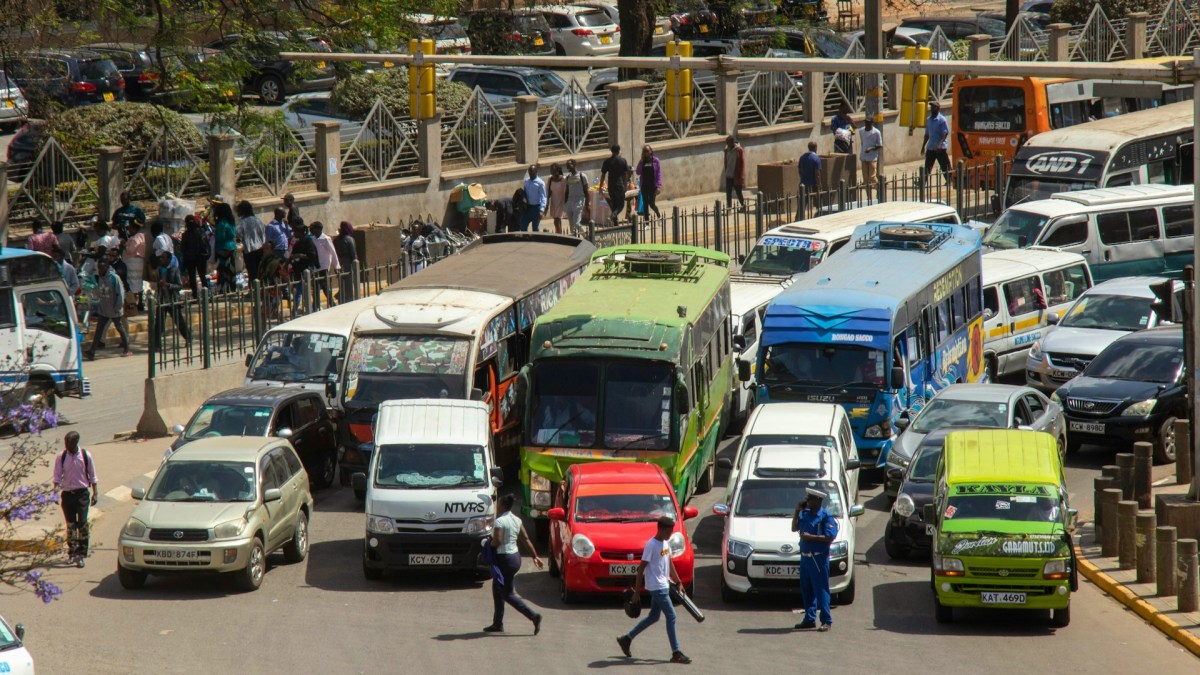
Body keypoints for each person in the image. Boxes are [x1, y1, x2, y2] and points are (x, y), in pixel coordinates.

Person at [616, 515, 691, 664]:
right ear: (662, 529)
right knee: (672, 616)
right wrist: (637, 593)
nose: (671, 534)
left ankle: (627, 639)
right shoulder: (651, 545)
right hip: (657, 587)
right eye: (669, 531)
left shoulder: (665, 543)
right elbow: (641, 569)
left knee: (654, 617)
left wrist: (678, 581)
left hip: (663, 584)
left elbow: (669, 563)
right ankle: (676, 652)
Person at [484, 494, 544, 634]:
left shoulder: (500, 521)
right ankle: (497, 623)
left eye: (498, 503)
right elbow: (526, 538)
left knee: (507, 594)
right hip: (515, 558)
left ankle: (534, 616)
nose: (496, 505)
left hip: (504, 559)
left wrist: (488, 545)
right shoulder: (516, 520)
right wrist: (535, 556)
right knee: (497, 587)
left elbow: (497, 541)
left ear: (503, 505)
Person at [791, 487, 838, 632]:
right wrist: (797, 511)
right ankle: (809, 618)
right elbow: (794, 528)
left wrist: (810, 537)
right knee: (807, 589)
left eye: (810, 499)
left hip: (818, 558)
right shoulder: (805, 513)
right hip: (805, 558)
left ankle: (826, 620)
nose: (807, 501)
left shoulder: (825, 517)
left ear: (818, 501)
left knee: (821, 589)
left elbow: (830, 536)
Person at [53, 432, 98, 568]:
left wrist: (95, 493)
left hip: (82, 494)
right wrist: (55, 493)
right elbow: (56, 476)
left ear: (76, 442)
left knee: (82, 523)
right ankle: (72, 552)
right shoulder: (62, 457)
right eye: (65, 442)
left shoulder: (85, 456)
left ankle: (81, 553)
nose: (66, 445)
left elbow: (93, 476)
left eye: (69, 443)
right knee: (71, 525)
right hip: (67, 495)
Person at [84, 258, 131, 360]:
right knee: (99, 330)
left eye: (101, 268)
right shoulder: (100, 278)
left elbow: (120, 294)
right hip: (103, 309)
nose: (100, 270)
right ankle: (92, 352)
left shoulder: (114, 278)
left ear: (106, 267)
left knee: (120, 328)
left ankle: (127, 348)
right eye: (98, 268)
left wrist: (117, 308)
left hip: (114, 310)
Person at [153, 249, 190, 349]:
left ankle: (188, 338)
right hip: (162, 299)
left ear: (169, 259)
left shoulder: (174, 269)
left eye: (163, 258)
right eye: (160, 258)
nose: (161, 259)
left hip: (172, 300)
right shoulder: (159, 269)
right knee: (159, 324)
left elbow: (179, 285)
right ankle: (157, 344)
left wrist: (168, 285)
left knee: (179, 321)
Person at [289, 221, 318, 316]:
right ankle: (297, 310)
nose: (294, 234)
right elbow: (292, 255)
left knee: (301, 290)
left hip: (306, 270)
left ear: (301, 232)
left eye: (296, 232)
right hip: (298, 270)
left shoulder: (308, 241)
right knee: (299, 290)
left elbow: (312, 255)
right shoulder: (297, 243)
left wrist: (300, 255)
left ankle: (302, 310)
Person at [210, 198, 238, 293]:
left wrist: (214, 235)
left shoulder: (222, 224)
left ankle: (223, 289)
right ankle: (232, 287)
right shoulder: (231, 222)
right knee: (231, 269)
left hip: (222, 249)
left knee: (222, 270)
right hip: (231, 247)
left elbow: (221, 237)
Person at [310, 221, 339, 309]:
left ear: (318, 229)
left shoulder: (326, 239)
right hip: (316, 266)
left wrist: (336, 266)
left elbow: (333, 253)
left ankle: (332, 304)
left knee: (324, 286)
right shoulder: (313, 239)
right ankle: (316, 305)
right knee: (315, 287)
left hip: (324, 266)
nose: (311, 230)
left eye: (313, 228)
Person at [235, 200, 266, 282]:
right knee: (260, 272)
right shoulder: (257, 220)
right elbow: (263, 234)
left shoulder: (243, 222)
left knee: (252, 273)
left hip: (249, 251)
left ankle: (253, 291)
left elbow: (237, 233)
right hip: (260, 249)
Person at [600, 144, 630, 227]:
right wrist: (625, 185)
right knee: (621, 205)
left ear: (611, 151)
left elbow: (603, 175)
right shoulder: (622, 161)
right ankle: (612, 216)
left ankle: (615, 223)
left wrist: (600, 187)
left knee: (614, 204)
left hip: (611, 186)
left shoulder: (607, 161)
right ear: (618, 151)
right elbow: (625, 174)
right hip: (619, 185)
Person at [179, 215, 210, 296]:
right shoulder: (201, 231)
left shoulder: (186, 234)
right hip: (201, 257)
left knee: (192, 277)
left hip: (190, 259)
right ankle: (206, 294)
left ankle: (195, 295)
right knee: (202, 276)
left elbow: (183, 248)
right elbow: (205, 244)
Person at [923, 100, 951, 181]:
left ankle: (950, 180)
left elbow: (945, 133)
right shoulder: (928, 120)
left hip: (940, 148)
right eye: (931, 107)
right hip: (931, 147)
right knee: (927, 165)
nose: (931, 109)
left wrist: (940, 144)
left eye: (933, 107)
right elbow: (927, 134)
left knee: (945, 165)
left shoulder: (942, 120)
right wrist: (923, 146)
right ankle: (923, 181)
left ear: (938, 109)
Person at [635, 145, 663, 219]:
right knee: (645, 204)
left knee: (651, 204)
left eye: (647, 151)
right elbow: (638, 172)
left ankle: (658, 215)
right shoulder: (642, 162)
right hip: (644, 185)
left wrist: (659, 186)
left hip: (653, 186)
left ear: (651, 151)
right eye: (645, 151)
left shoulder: (656, 160)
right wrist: (640, 162)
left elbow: (659, 173)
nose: (646, 153)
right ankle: (646, 222)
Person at [334, 221, 358, 303]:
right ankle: (349, 300)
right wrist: (355, 265)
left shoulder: (336, 240)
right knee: (349, 283)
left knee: (342, 283)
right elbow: (353, 254)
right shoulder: (350, 239)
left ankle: (341, 298)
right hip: (348, 263)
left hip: (339, 263)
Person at [563, 158, 589, 234]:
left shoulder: (582, 176)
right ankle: (574, 240)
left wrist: (587, 203)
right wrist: (565, 203)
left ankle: (587, 237)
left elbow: (586, 191)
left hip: (579, 200)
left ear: (574, 165)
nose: (568, 167)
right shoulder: (568, 177)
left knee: (576, 223)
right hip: (570, 201)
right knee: (571, 225)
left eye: (569, 165)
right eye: (566, 165)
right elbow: (567, 191)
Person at [519, 164, 547, 232]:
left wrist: (542, 210)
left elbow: (543, 197)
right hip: (527, 208)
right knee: (523, 226)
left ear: (536, 172)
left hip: (536, 208)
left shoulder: (540, 183)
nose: (531, 173)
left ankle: (535, 241)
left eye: (532, 172)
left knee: (535, 228)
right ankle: (525, 240)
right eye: (530, 172)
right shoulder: (526, 181)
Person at [723, 135, 747, 210]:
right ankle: (729, 208)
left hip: (736, 175)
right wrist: (726, 171)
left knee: (738, 192)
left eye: (728, 143)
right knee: (728, 192)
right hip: (729, 175)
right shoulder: (727, 150)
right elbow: (726, 161)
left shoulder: (739, 150)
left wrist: (741, 175)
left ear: (732, 142)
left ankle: (743, 206)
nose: (727, 145)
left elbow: (742, 163)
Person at [859, 117, 884, 187]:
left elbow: (880, 145)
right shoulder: (861, 131)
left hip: (872, 157)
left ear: (871, 123)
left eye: (868, 122)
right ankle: (868, 196)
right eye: (866, 122)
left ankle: (879, 190)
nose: (867, 124)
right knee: (866, 179)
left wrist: (871, 148)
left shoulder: (876, 132)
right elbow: (862, 142)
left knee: (872, 177)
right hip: (864, 157)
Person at [799, 141, 822, 216]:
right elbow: (817, 173)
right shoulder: (816, 158)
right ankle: (819, 215)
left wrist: (803, 178)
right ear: (815, 148)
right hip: (813, 184)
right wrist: (818, 184)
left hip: (803, 183)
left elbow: (799, 170)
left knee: (802, 202)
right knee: (817, 201)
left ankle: (798, 217)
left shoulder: (802, 157)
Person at [547, 163, 567, 233]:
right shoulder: (550, 179)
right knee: (556, 220)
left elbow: (566, 191)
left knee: (556, 220)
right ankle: (559, 232)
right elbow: (549, 191)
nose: (551, 172)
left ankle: (559, 235)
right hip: (553, 201)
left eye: (553, 170)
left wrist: (566, 202)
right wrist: (547, 203)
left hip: (561, 202)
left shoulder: (564, 179)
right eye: (551, 170)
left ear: (558, 171)